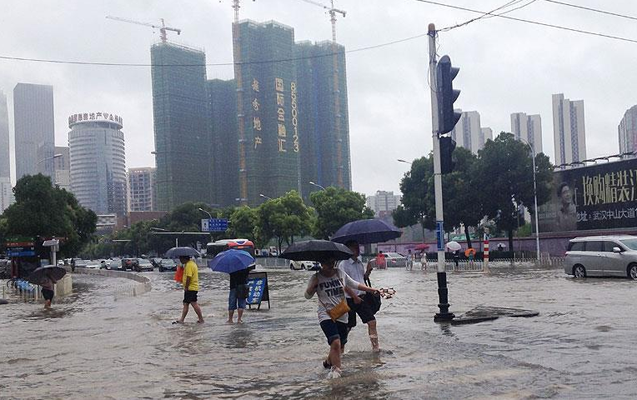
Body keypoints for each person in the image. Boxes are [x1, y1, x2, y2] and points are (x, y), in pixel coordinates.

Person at [305, 257, 379, 379]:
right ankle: (337, 371)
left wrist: (371, 290)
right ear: (321, 263)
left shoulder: (339, 273)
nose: (330, 265)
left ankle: (328, 363)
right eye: (327, 263)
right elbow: (307, 296)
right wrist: (312, 287)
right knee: (335, 342)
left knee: (340, 345)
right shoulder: (316, 278)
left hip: (342, 314)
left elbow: (354, 284)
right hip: (326, 314)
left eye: (332, 262)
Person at [338, 240, 380, 353]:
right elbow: (344, 284)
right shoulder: (343, 264)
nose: (358, 249)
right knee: (348, 326)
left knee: (371, 321)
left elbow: (362, 279)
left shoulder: (359, 262)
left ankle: (375, 348)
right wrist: (354, 297)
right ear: (348, 249)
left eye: (358, 247)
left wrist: (368, 271)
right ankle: (340, 349)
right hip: (349, 299)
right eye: (355, 247)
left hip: (362, 297)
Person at [174, 255, 204, 324]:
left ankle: (201, 319)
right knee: (186, 303)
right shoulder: (190, 264)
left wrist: (186, 287)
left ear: (184, 258)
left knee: (193, 303)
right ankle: (182, 319)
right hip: (191, 288)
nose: (180, 260)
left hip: (191, 288)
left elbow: (189, 277)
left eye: (180, 258)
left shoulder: (189, 266)